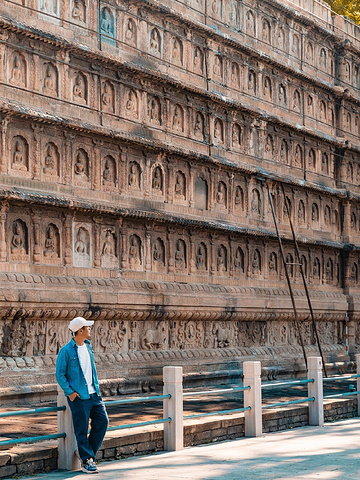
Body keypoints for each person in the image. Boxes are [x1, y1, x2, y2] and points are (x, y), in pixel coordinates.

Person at [56, 317, 108, 474]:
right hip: (79, 397)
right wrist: (70, 392)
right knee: (81, 429)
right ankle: (87, 461)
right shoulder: (66, 351)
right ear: (80, 331)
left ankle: (86, 453)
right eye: (87, 327)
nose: (90, 329)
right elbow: (60, 374)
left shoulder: (88, 346)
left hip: (94, 394)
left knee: (103, 422)